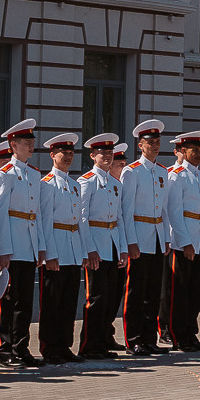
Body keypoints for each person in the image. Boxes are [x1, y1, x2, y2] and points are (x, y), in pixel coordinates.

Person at [0, 120, 45, 367]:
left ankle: (21, 347)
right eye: (26, 142)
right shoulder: (4, 175)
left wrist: (40, 245)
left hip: (29, 244)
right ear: (13, 145)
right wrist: (3, 250)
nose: (31, 146)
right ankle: (5, 348)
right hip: (12, 245)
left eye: (32, 142)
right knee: (9, 300)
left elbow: (38, 214)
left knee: (24, 301)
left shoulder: (34, 174)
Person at [119, 121, 171, 356]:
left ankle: (150, 338)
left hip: (157, 236)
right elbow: (126, 209)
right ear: (140, 145)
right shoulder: (132, 171)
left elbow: (164, 208)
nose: (155, 146)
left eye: (158, 142)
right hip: (139, 235)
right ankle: (134, 338)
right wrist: (130, 241)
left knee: (152, 292)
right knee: (136, 292)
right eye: (150, 143)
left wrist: (167, 236)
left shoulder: (162, 171)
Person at [37, 133, 86, 363]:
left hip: (73, 248)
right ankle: (50, 347)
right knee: (52, 303)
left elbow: (78, 220)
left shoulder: (74, 185)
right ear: (52, 155)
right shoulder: (47, 185)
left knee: (68, 303)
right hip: (56, 248)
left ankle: (65, 345)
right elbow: (45, 222)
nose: (67, 157)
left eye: (70, 153)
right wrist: (50, 255)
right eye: (62, 153)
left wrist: (83, 252)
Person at [77, 135, 126, 359]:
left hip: (113, 244)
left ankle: (103, 340)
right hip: (97, 244)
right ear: (92, 156)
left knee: (110, 297)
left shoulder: (116, 184)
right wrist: (89, 249)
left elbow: (120, 219)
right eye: (102, 153)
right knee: (95, 299)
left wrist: (123, 248)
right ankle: (90, 345)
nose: (107, 157)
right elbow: (82, 217)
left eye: (110, 153)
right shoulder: (86, 181)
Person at [163, 130, 200, 352]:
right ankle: (176, 334)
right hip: (183, 242)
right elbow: (174, 211)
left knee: (194, 291)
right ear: (183, 151)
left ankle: (190, 333)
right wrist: (185, 242)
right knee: (178, 292)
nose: (199, 154)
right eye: (194, 151)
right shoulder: (176, 175)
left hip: (198, 239)